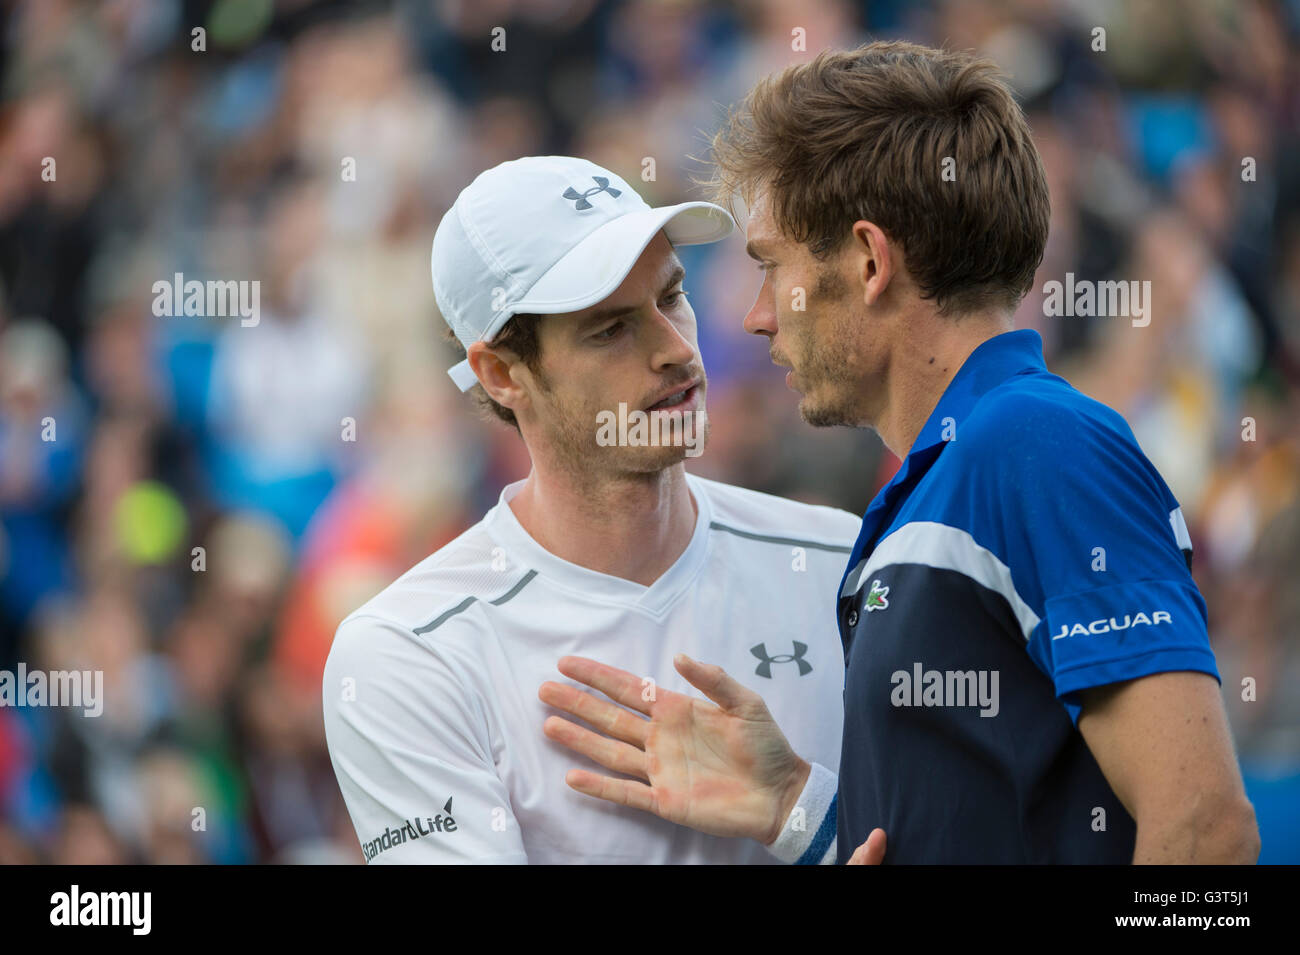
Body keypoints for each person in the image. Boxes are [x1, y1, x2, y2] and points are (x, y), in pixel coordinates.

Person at [539, 43, 1261, 864]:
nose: (757, 316)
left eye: (772, 269)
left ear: (870, 261)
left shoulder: (1034, 444)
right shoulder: (953, 473)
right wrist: (792, 807)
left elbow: (1207, 832)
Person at [321, 156, 859, 863]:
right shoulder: (408, 651)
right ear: (503, 374)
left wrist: (797, 809)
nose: (675, 349)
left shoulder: (846, 560)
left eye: (672, 297)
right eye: (610, 329)